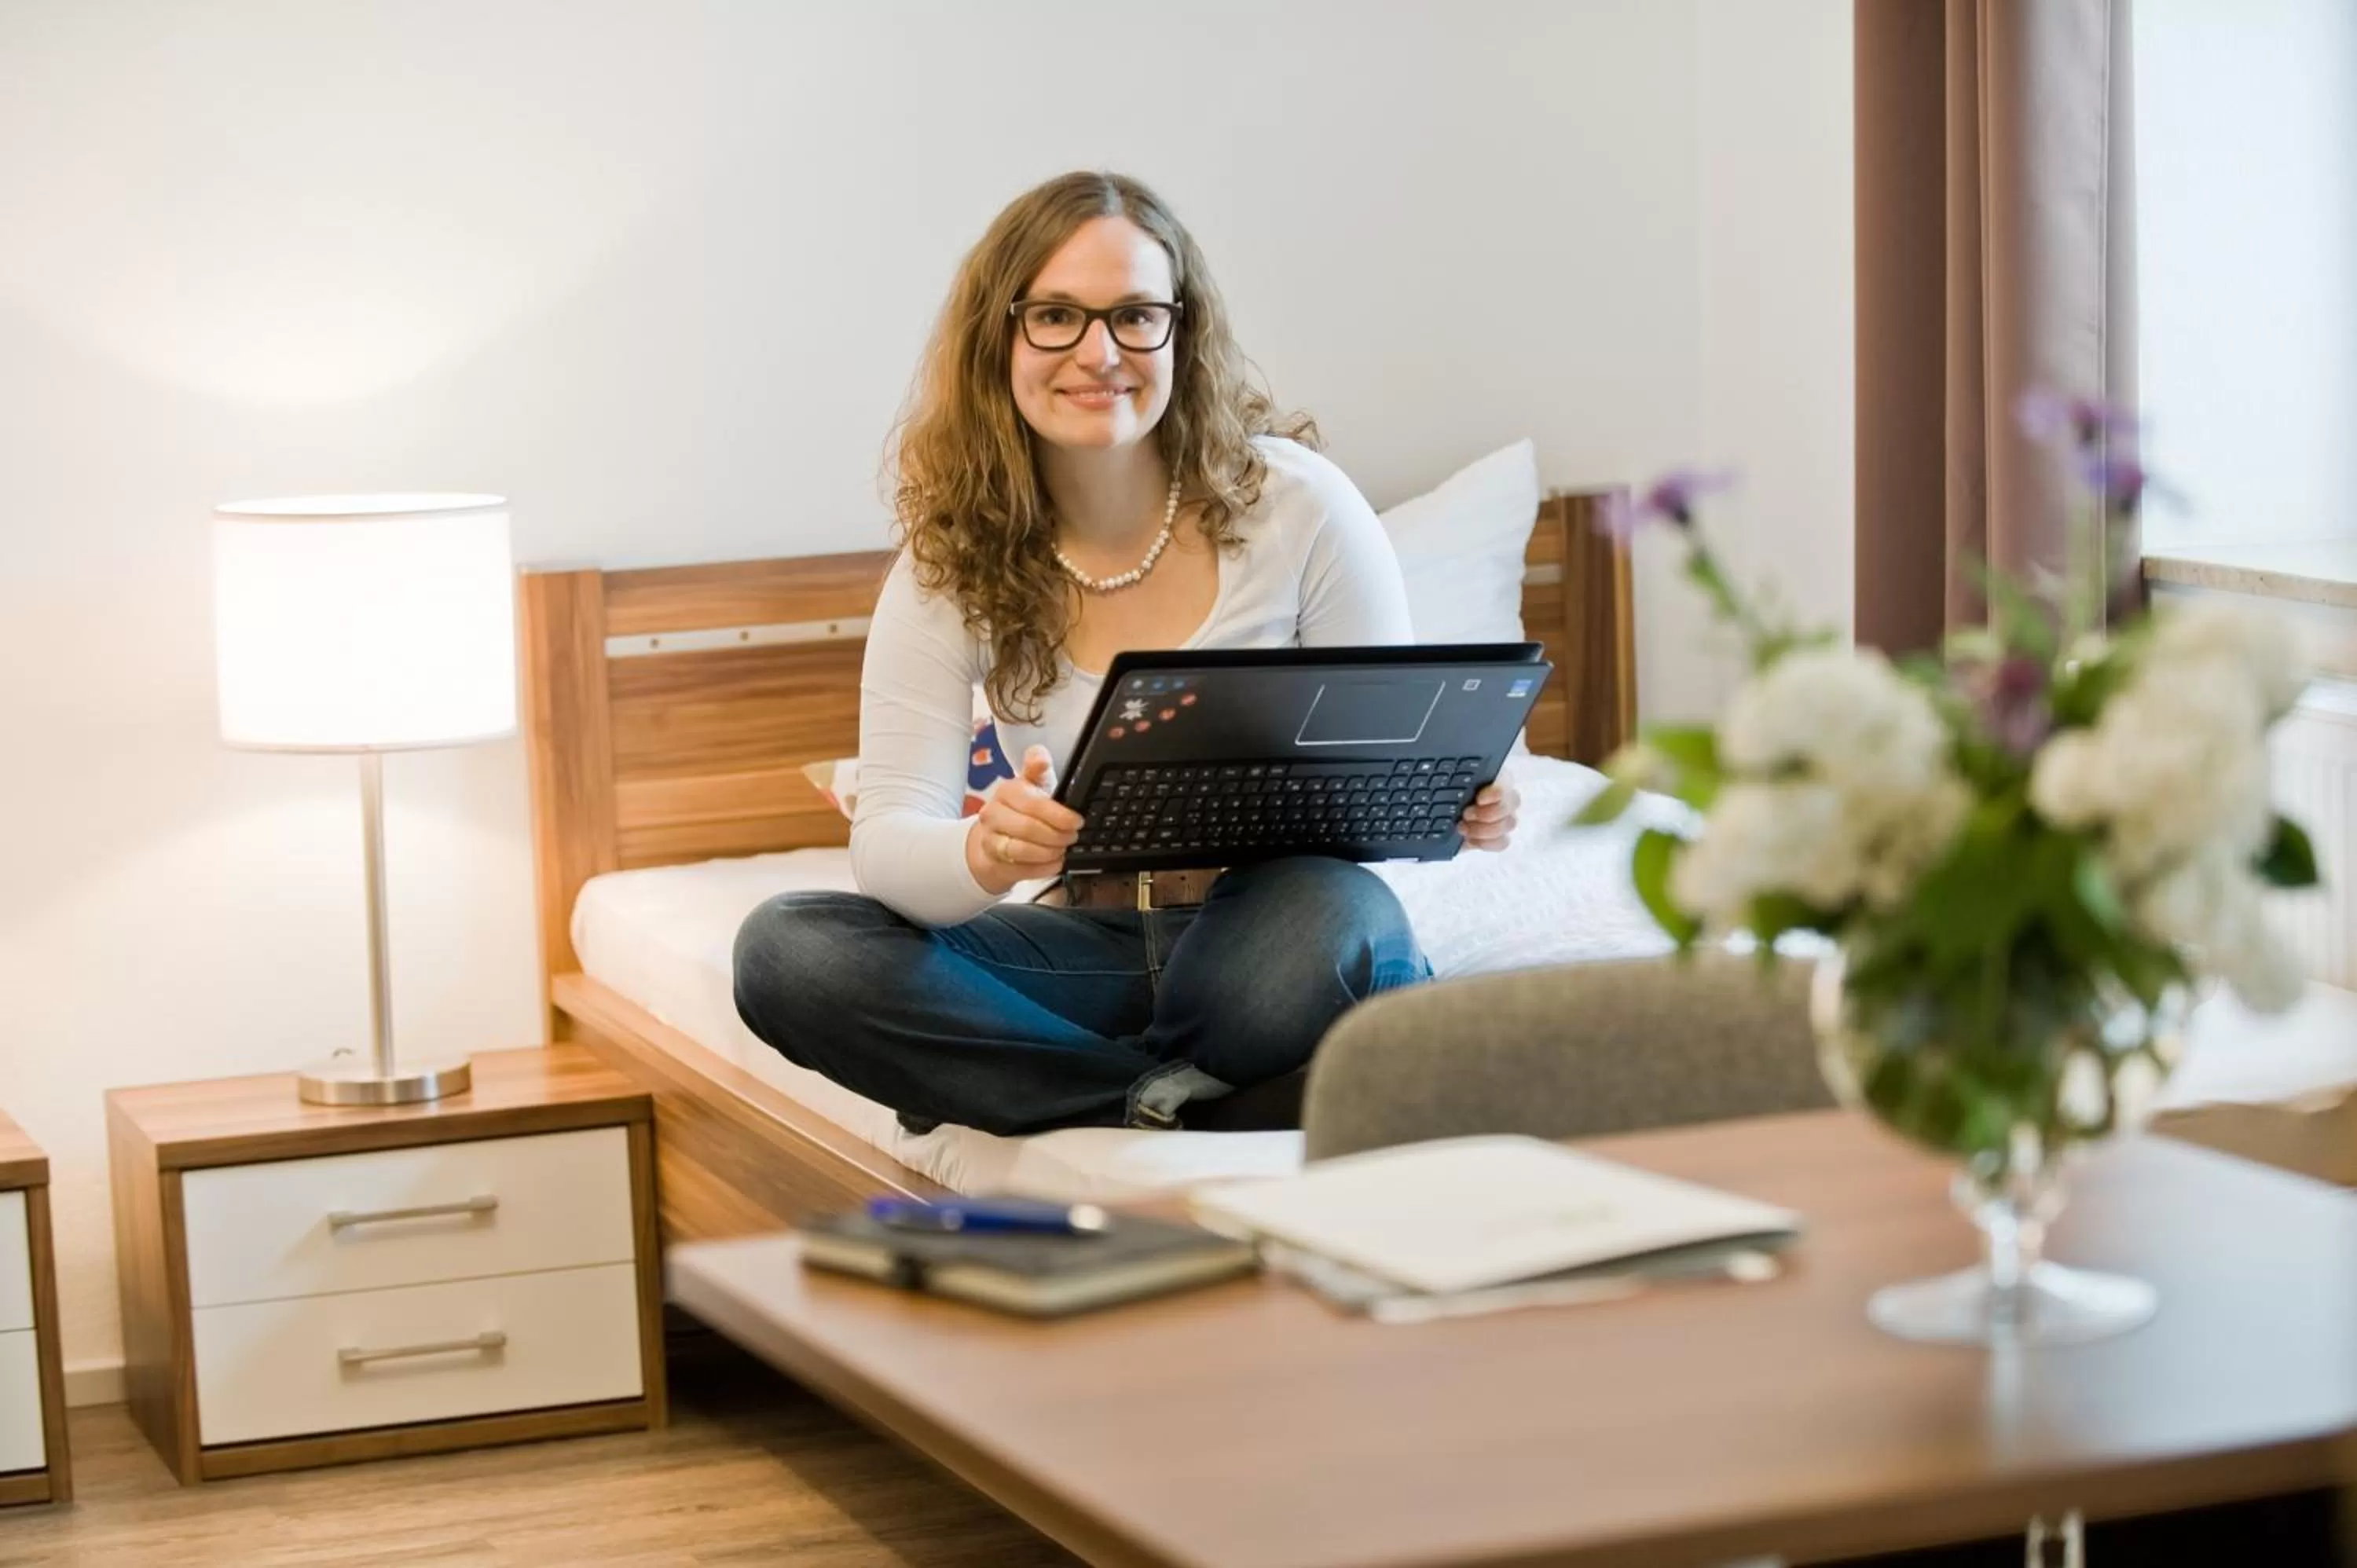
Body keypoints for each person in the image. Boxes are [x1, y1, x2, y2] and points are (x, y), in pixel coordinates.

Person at [732, 170, 1520, 1138]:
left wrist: (1448, 793)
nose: (1100, 352)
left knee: (1334, 919)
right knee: (788, 950)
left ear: (1180, 333)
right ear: (1001, 337)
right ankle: (1172, 1102)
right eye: (1057, 316)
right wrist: (981, 855)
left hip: (1273, 937)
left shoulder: (1300, 506)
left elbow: (1385, 756)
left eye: (1136, 316)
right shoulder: (951, 564)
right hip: (1082, 945)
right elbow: (890, 845)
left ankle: (1016, 1076)